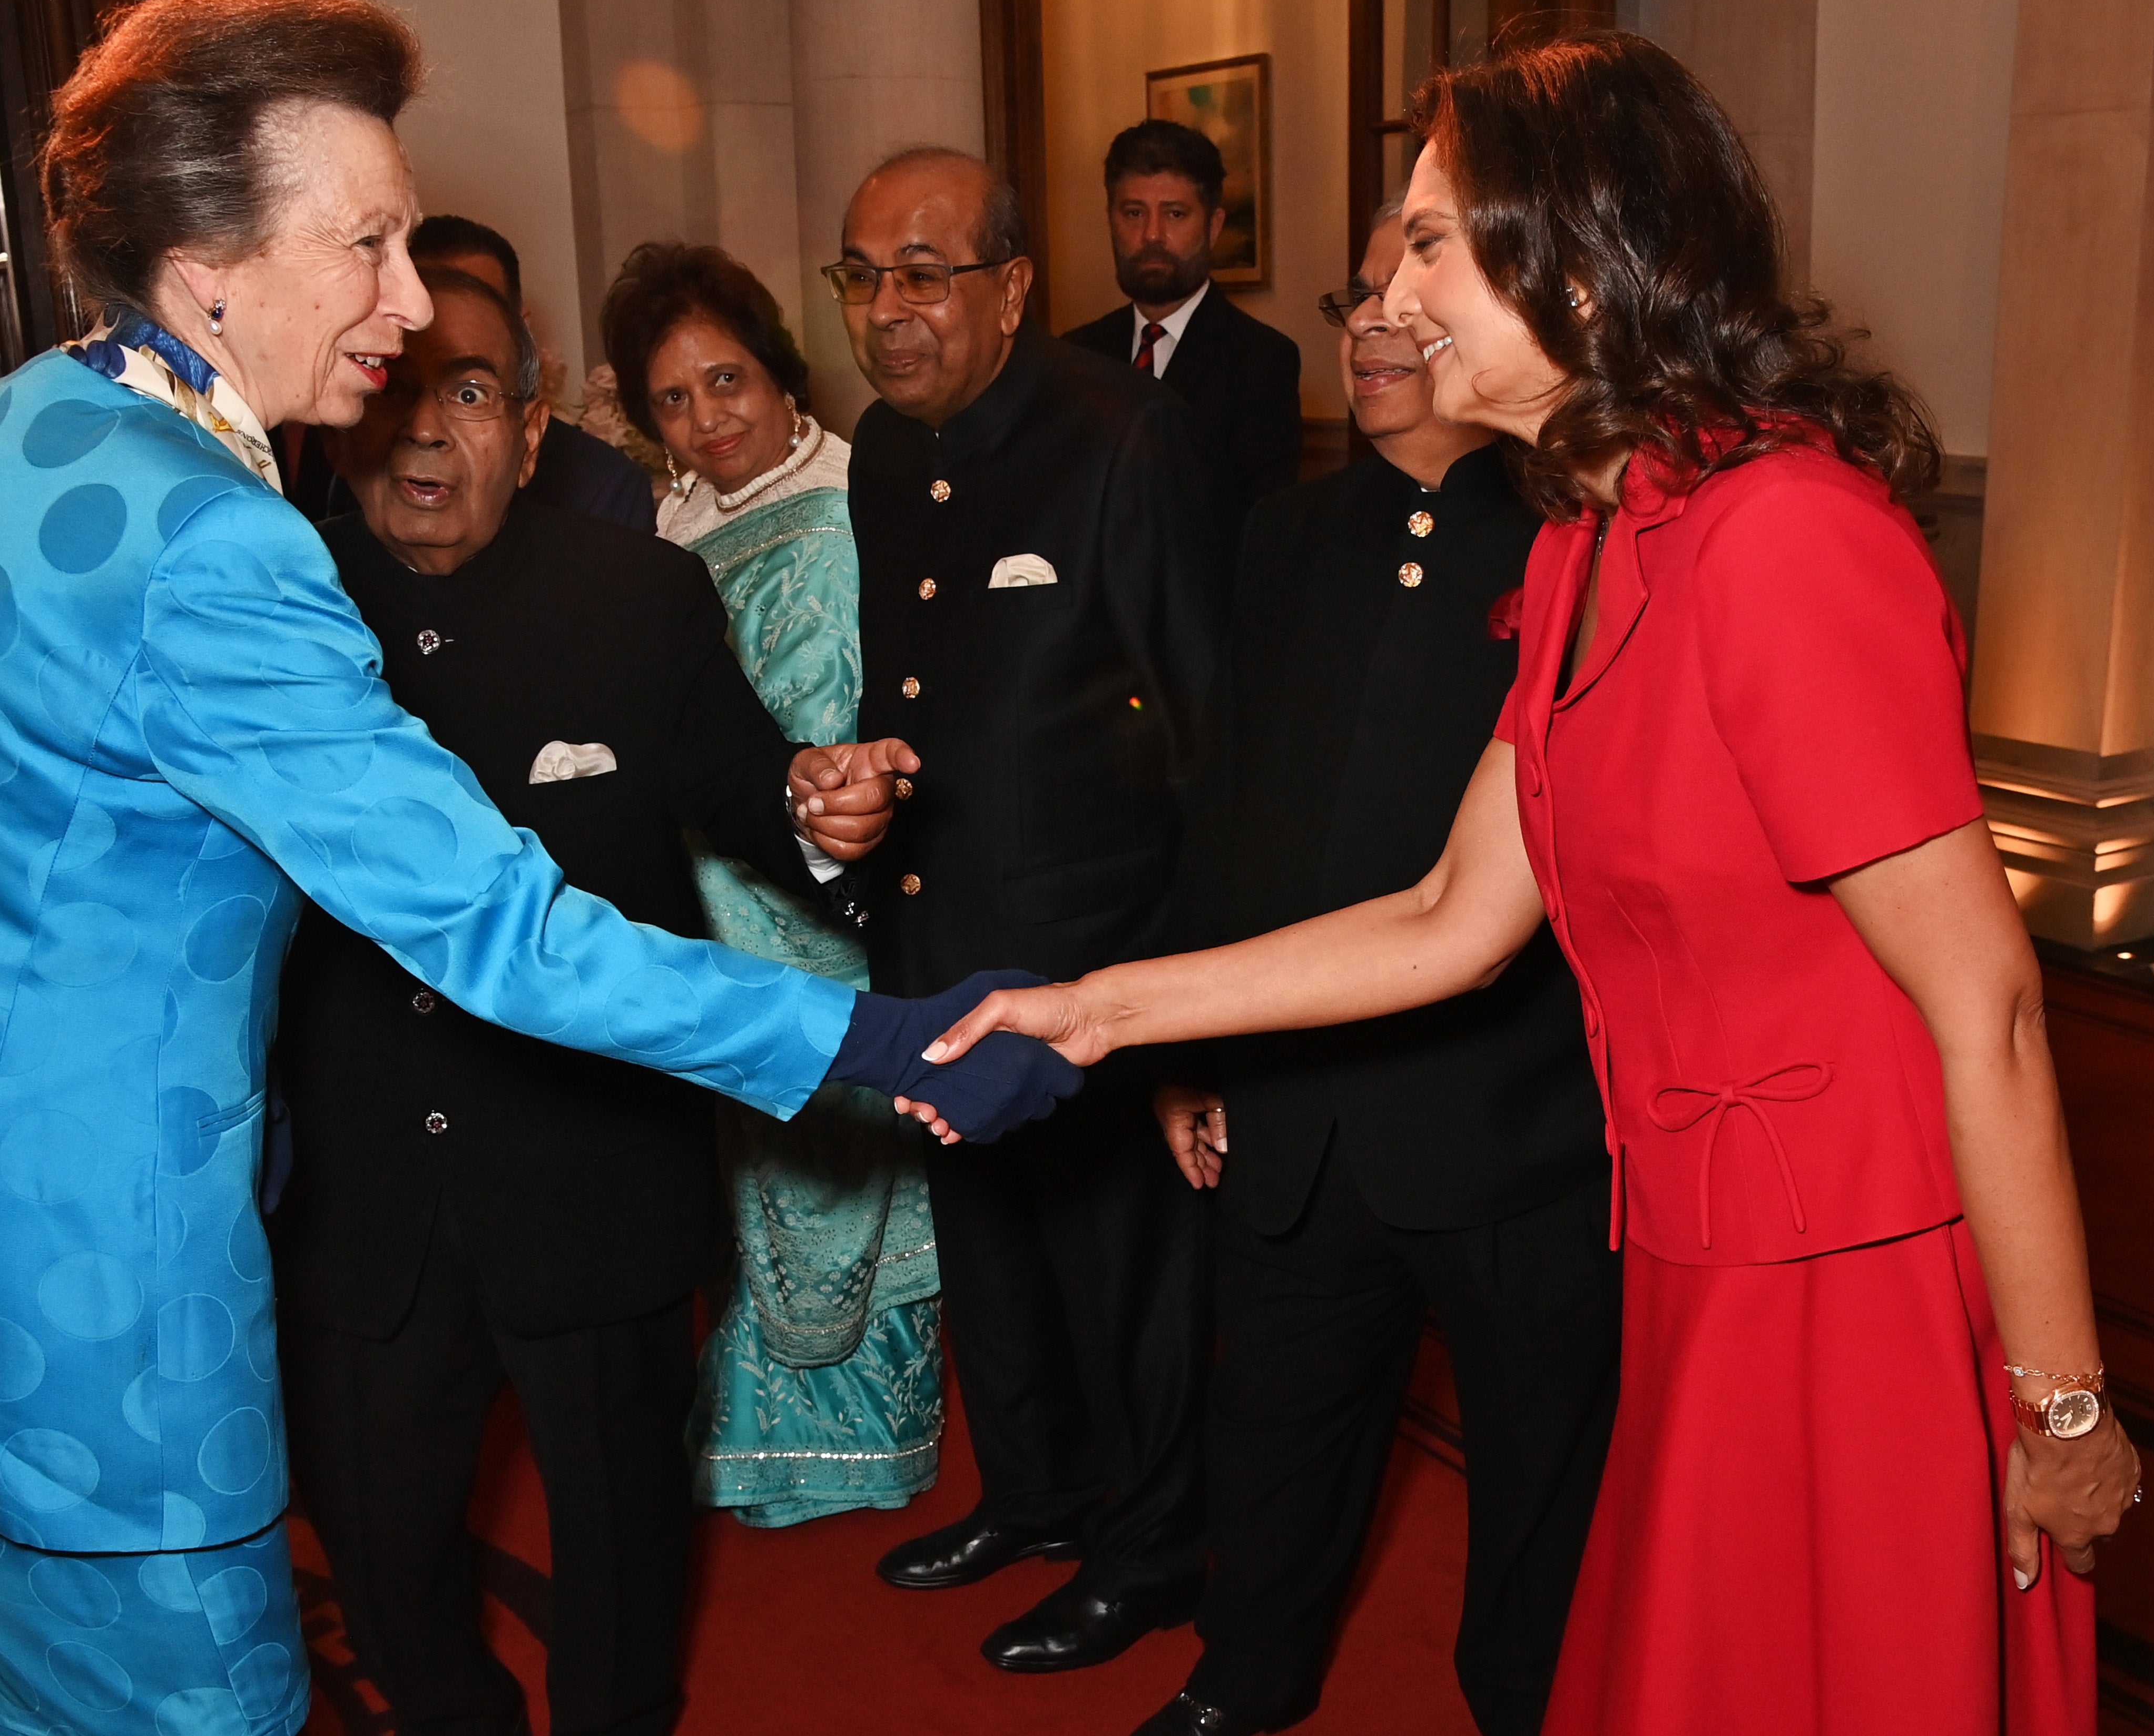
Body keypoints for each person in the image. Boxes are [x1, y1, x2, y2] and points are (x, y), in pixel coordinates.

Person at [0, 0, 1074, 1736]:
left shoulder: (5, 429)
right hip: (111, 1305)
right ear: (210, 254)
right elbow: (494, 928)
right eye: (369, 242)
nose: (409, 296)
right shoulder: (215, 540)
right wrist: (864, 1042)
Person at [922, 32, 2140, 1736]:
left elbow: (1991, 1006)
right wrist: (1096, 1011)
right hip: (1693, 1257)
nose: (1395, 285)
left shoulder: (1781, 537)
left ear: (1578, 258)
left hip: (1846, 1281)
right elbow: (1449, 918)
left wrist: (2066, 1409)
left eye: (1432, 240)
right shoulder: (1585, 539)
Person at [274, 262, 891, 1736]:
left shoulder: (637, 596)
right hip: (363, 1188)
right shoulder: (275, 600)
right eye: (400, 392)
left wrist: (821, 813)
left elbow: (745, 792)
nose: (428, 432)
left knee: (621, 1546)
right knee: (377, 1540)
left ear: (534, 429)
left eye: (471, 393)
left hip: (589, 1171)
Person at [1129, 205, 1619, 1736]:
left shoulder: (1574, 540)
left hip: (1515, 1116)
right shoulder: (1283, 531)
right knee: (1273, 1423)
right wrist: (1183, 1040)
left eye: (1420, 291)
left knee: (1543, 1468)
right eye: (1359, 292)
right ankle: (1242, 1679)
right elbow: (1227, 804)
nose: (1377, 320)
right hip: (1297, 1096)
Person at [833, 146, 1232, 1671]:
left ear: (1010, 288)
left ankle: (1155, 1552)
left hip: (1104, 965)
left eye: (924, 274)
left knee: (1123, 1280)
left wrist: (1193, 1013)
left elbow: (1207, 739)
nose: (889, 311)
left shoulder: (1129, 440)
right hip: (937, 945)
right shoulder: (880, 451)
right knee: (991, 1251)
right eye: (862, 276)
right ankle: (1038, 1494)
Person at [599, 239, 943, 1530]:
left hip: (818, 881)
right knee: (741, 1169)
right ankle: (753, 1430)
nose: (710, 419)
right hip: (706, 890)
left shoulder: (860, 497)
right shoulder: (671, 518)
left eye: (728, 380)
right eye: (674, 401)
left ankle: (871, 1444)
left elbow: (842, 703)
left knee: (840, 1149)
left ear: (780, 369)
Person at [1065, 119, 1301, 549]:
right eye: (1134, 213)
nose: (1152, 235)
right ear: (1111, 220)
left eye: (1175, 214)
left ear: (1213, 226)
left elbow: (1261, 532)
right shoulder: (1075, 356)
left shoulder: (1262, 360)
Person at [412, 213, 660, 531]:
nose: (456, 335)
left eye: (481, 309)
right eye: (431, 314)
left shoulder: (603, 487)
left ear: (523, 330)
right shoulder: (364, 466)